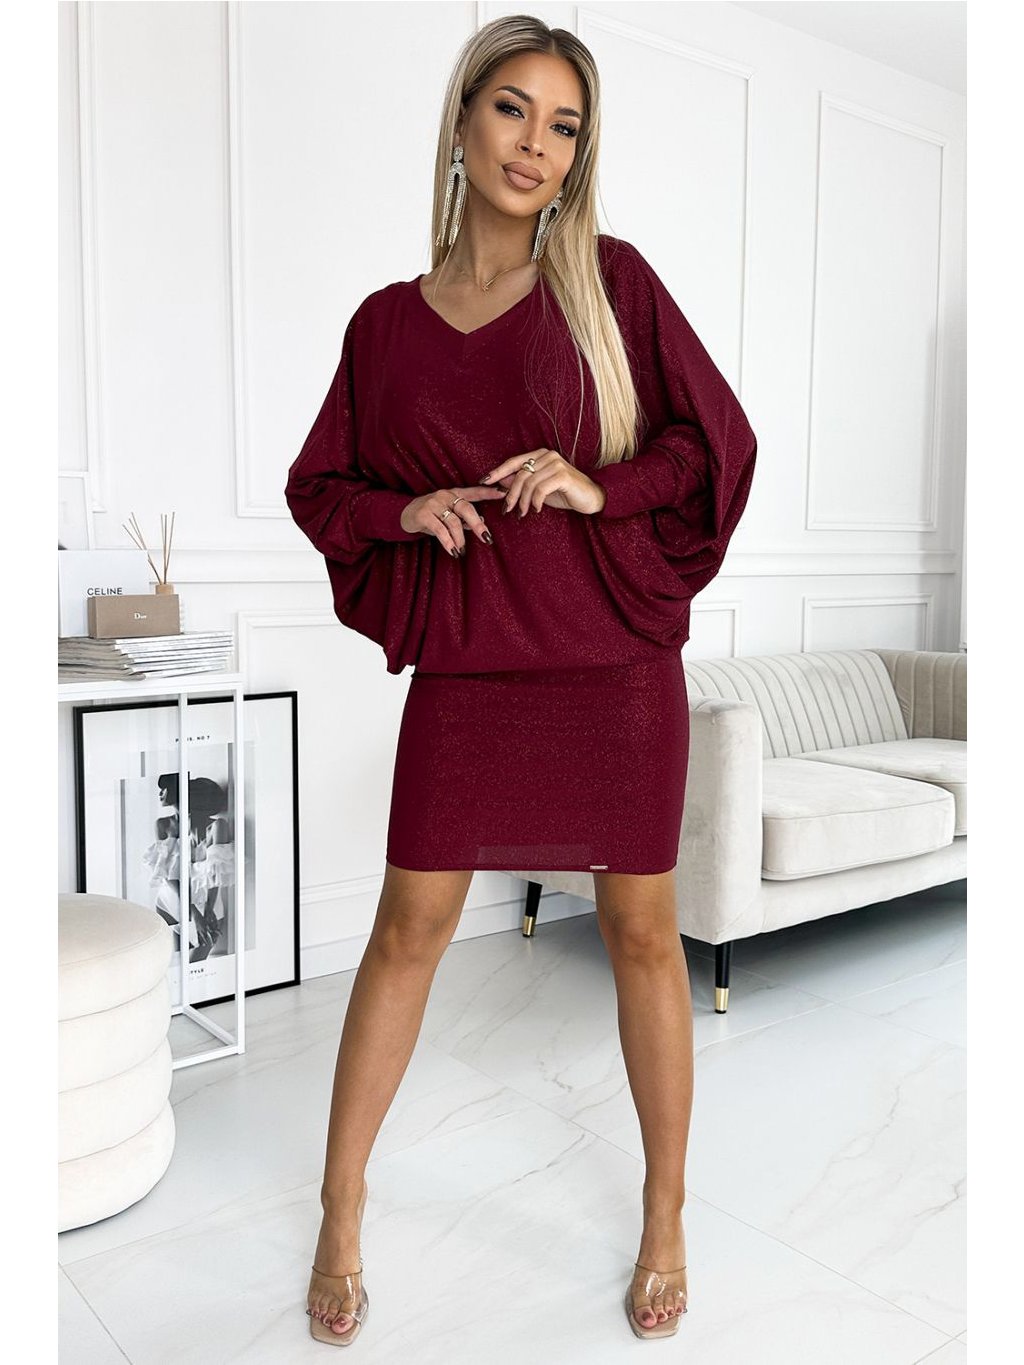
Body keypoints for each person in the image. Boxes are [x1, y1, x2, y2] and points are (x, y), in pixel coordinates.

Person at [285, 13, 757, 1347]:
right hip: (474, 666)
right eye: (512, 109)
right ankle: (339, 1205)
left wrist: (604, 485)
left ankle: (665, 1213)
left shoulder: (612, 285)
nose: (535, 145)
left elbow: (712, 442)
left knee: (644, 934)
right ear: (461, 119)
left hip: (615, 668)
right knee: (407, 929)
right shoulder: (385, 326)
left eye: (564, 125)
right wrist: (404, 510)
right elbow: (322, 486)